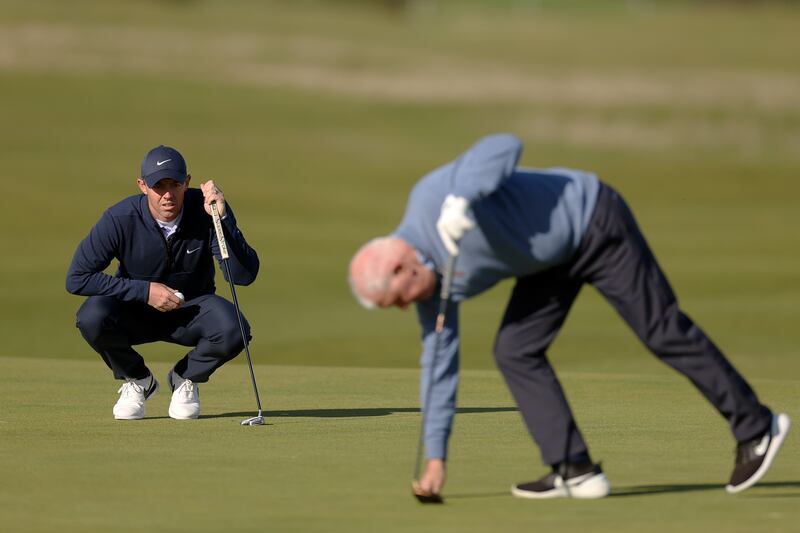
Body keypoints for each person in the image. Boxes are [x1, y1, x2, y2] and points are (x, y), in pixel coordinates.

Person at [348, 133, 790, 500]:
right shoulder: (431, 290)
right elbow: (438, 368)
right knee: (514, 349)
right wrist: (436, 459)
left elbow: (503, 145)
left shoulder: (432, 198)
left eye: (397, 300)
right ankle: (574, 467)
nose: (405, 308)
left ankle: (757, 427)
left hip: (595, 220)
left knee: (660, 329)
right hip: (549, 263)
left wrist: (462, 198)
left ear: (401, 268)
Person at [66, 145, 260, 421]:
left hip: (191, 310)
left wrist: (223, 219)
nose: (168, 194)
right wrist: (144, 291)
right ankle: (138, 379)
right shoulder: (120, 218)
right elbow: (77, 278)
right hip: (135, 309)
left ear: (187, 182)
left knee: (234, 329)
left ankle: (185, 378)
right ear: (142, 185)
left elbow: (242, 276)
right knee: (91, 318)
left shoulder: (207, 213)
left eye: (175, 184)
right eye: (159, 186)